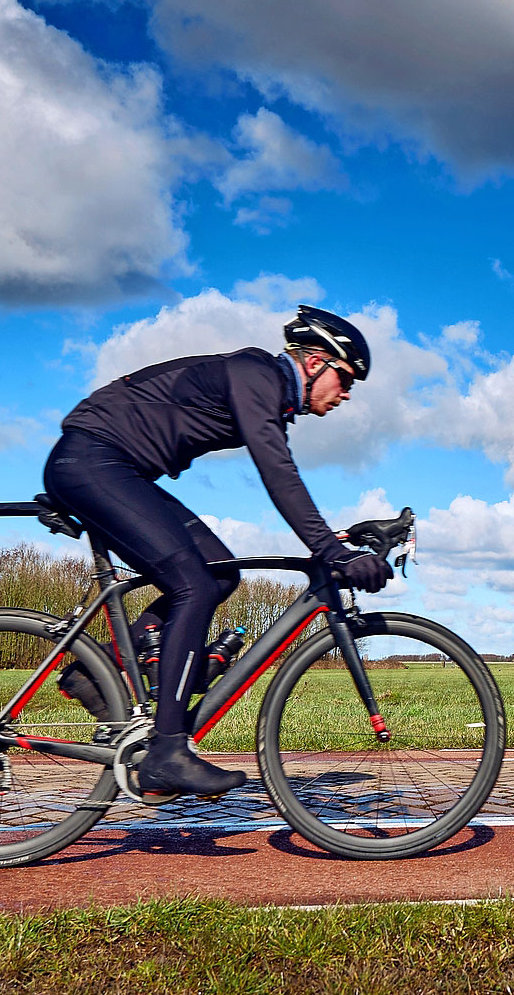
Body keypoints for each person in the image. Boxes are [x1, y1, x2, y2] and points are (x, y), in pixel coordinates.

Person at [42, 305, 393, 797]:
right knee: (194, 585)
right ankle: (166, 752)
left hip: (113, 468)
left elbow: (285, 476)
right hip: (93, 462)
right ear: (315, 363)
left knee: (220, 574)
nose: (347, 393)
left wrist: (335, 542)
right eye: (346, 377)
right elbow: (278, 472)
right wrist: (329, 554)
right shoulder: (257, 375)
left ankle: (98, 668)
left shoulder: (266, 392)